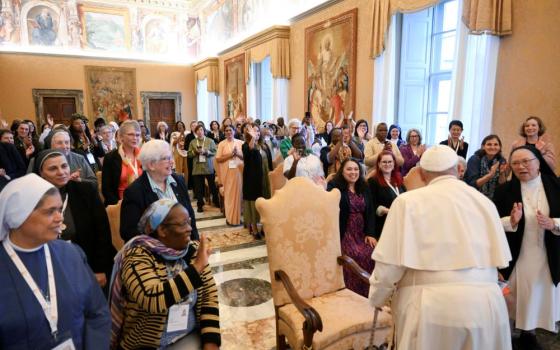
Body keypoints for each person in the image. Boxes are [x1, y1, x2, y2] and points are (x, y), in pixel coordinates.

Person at [369, 145, 512, 349]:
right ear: (457, 169)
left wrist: (377, 298)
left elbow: (389, 266)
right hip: (487, 306)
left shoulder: (407, 201)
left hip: (432, 308)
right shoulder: (484, 202)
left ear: (422, 173)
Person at [0, 174, 111, 349]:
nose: (60, 218)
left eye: (59, 209)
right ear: (18, 215)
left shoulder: (72, 254)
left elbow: (97, 313)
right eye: (50, 211)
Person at [109, 199, 220, 350]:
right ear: (162, 230)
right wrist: (197, 268)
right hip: (146, 344)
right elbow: (153, 299)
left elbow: (209, 298)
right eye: (182, 224)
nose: (189, 228)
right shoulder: (137, 256)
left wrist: (210, 344)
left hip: (188, 336)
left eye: (189, 222)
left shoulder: (192, 250)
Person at [493, 146, 560, 349]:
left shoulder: (555, 185)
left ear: (538, 162)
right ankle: (508, 334)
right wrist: (511, 221)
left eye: (526, 161)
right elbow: (493, 223)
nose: (521, 167)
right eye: (515, 163)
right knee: (515, 294)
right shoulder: (504, 190)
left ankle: (529, 332)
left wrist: (554, 223)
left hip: (546, 252)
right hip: (517, 253)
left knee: (537, 294)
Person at [34, 149, 115, 289]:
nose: (61, 172)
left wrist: (100, 269)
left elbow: (102, 231)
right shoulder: (34, 198)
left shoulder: (85, 190)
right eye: (53, 168)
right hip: (49, 267)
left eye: (64, 166)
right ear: (41, 173)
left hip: (87, 263)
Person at [120, 139, 199, 242]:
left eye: (170, 157)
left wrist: (195, 242)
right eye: (166, 158)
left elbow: (190, 216)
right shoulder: (134, 192)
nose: (172, 162)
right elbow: (129, 232)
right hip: (155, 253)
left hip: (185, 246)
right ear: (151, 165)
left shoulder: (178, 181)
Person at [327, 158, 376, 297]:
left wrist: (370, 233)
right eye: (349, 169)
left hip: (362, 232)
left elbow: (371, 211)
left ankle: (367, 293)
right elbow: (326, 203)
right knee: (354, 255)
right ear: (342, 171)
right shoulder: (334, 186)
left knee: (371, 252)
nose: (353, 172)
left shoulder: (364, 186)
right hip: (344, 231)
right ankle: (351, 293)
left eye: (356, 169)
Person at [30, 129, 98, 187]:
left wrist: (79, 180)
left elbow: (94, 182)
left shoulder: (80, 158)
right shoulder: (37, 160)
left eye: (67, 142)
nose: (64, 146)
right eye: (59, 143)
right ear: (51, 145)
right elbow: (30, 185)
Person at [102, 120, 143, 206]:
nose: (135, 138)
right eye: (131, 134)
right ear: (121, 137)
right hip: (119, 203)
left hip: (141, 202)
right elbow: (106, 189)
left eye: (137, 135)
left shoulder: (143, 155)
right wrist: (120, 205)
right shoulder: (111, 157)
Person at [368, 151, 406, 238]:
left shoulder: (398, 178)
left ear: (394, 164)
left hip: (400, 218)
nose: (387, 164)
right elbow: (371, 204)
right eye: (384, 162)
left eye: (390, 162)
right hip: (384, 221)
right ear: (379, 164)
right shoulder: (373, 181)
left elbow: (405, 196)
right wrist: (387, 211)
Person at [242, 124, 271, 238]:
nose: (257, 133)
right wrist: (252, 138)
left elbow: (269, 162)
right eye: (254, 132)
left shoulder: (264, 146)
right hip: (252, 179)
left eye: (258, 131)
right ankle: (254, 228)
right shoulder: (245, 146)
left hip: (264, 178)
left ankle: (263, 227)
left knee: (265, 202)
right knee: (253, 203)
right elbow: (249, 152)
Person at [216, 124, 244, 226]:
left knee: (238, 196)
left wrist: (237, 154)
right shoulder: (221, 144)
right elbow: (218, 159)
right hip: (227, 174)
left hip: (239, 173)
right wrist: (230, 155)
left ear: (234, 131)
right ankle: (230, 219)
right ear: (224, 132)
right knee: (229, 196)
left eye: (230, 130)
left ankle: (237, 219)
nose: (228, 132)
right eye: (226, 131)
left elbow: (245, 157)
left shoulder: (240, 143)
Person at [464, 134, 509, 199]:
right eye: (489, 144)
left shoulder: (501, 160)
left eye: (496, 144)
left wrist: (502, 174)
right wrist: (489, 176)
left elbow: (501, 185)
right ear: (483, 147)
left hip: (494, 197)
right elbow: (472, 184)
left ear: (499, 147)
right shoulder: (474, 159)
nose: (492, 147)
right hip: (474, 196)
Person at [187, 124, 219, 212]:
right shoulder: (193, 142)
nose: (199, 131)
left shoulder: (210, 141)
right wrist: (195, 152)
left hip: (208, 167)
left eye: (201, 129)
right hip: (197, 168)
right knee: (199, 188)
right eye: (197, 130)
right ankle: (200, 205)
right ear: (195, 132)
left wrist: (206, 152)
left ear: (204, 131)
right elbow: (189, 154)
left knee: (212, 186)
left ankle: (216, 201)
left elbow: (215, 152)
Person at [185, 121, 198, 190]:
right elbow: (185, 147)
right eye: (193, 126)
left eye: (196, 125)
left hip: (200, 157)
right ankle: (192, 189)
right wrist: (194, 150)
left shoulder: (201, 135)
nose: (195, 127)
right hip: (191, 157)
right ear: (191, 127)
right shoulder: (188, 136)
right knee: (192, 172)